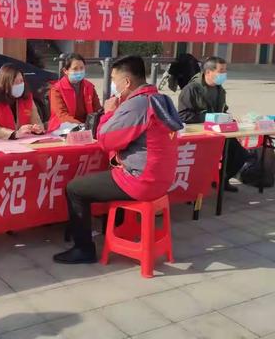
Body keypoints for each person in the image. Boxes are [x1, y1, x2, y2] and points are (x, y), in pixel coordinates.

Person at [53, 56, 183, 264]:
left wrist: (109, 112)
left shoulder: (137, 105)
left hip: (140, 180)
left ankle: (83, 249)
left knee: (74, 189)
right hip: (163, 179)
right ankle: (119, 230)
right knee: (105, 178)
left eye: (114, 79)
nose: (113, 84)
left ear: (127, 82)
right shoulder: (159, 98)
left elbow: (106, 140)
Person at [178, 56, 247, 192]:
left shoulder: (219, 89)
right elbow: (183, 115)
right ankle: (193, 188)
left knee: (240, 154)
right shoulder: (191, 89)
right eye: (221, 71)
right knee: (203, 159)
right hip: (199, 135)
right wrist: (209, 117)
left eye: (225, 71)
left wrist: (228, 118)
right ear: (208, 72)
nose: (224, 74)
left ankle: (223, 179)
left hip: (218, 131)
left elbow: (223, 109)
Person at [0, 63, 45, 139]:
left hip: (23, 143)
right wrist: (14, 134)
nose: (20, 84)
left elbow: (36, 121)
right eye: (16, 82)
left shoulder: (27, 98)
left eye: (21, 81)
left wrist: (37, 129)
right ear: (5, 83)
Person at [47, 53, 102, 132]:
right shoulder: (57, 89)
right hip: (64, 125)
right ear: (65, 71)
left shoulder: (89, 86)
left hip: (87, 126)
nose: (79, 71)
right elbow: (61, 115)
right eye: (75, 69)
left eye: (82, 68)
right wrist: (81, 126)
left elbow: (98, 110)